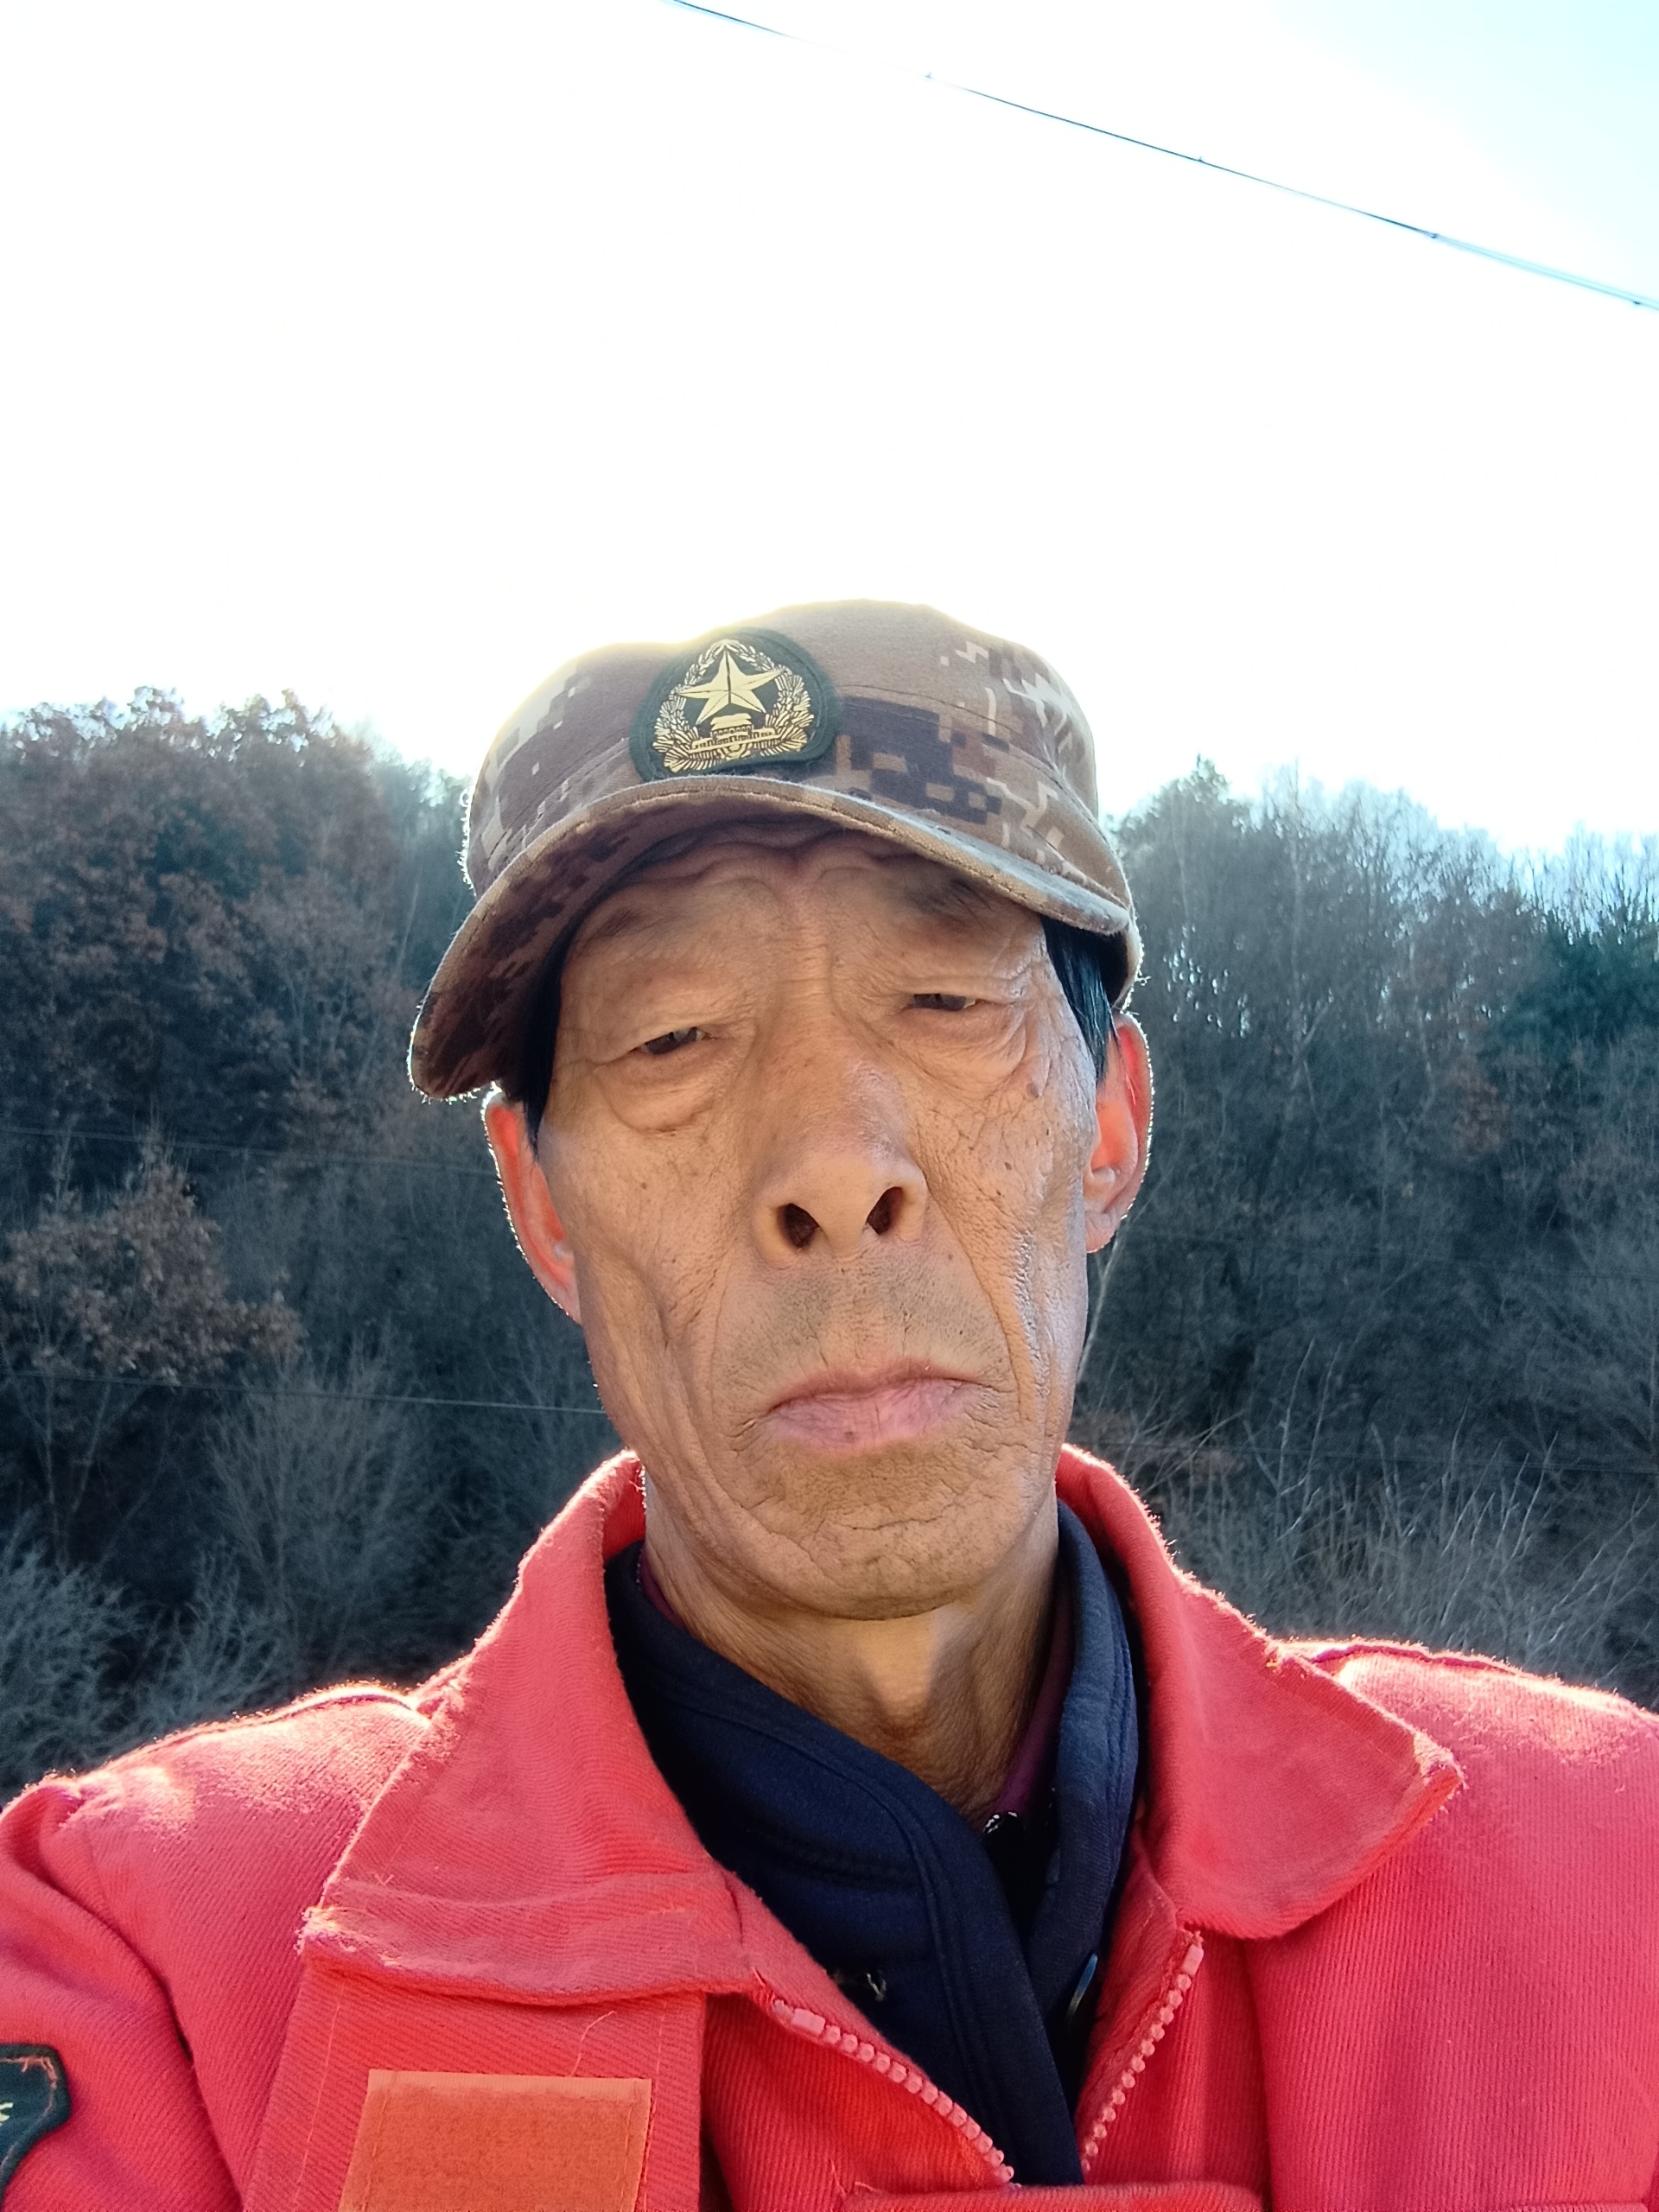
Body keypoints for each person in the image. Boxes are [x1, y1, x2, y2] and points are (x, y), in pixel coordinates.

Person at [1, 601, 1655, 2212]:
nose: (836, 1167)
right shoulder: (163, 1966)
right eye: (674, 1037)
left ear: (1108, 1130)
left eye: (945, 1003)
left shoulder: (1608, 1877)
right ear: (543, 1209)